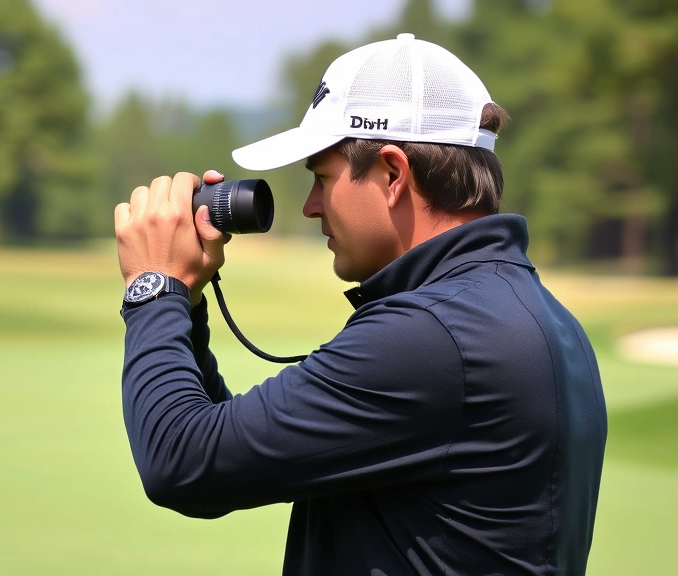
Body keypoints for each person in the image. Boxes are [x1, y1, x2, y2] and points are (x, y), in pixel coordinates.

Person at [114, 33, 607, 575]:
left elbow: (182, 461)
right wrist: (183, 297)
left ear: (392, 174)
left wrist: (153, 286)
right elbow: (226, 462)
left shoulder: (433, 336)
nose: (309, 206)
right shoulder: (529, 315)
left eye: (322, 179)